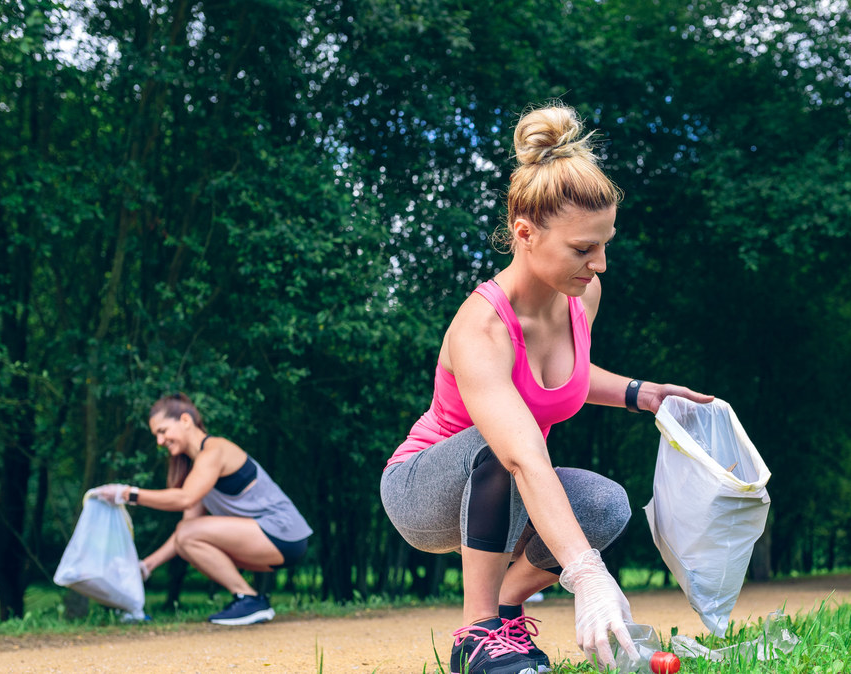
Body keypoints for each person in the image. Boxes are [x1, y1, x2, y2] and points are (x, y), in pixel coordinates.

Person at [380, 103, 713, 674]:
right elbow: (521, 453)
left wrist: (643, 393)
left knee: (604, 504)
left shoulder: (581, 298)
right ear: (524, 233)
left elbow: (561, 382)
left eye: (605, 244)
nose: (600, 263)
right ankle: (476, 635)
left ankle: (508, 615)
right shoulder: (480, 326)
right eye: (584, 249)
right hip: (425, 492)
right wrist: (586, 574)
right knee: (504, 450)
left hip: (506, 482)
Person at [92, 393, 313, 626]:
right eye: (156, 435)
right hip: (269, 543)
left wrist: (127, 494)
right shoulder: (197, 471)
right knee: (187, 535)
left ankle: (249, 599)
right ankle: (249, 599)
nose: (159, 441)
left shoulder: (215, 450)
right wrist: (147, 566)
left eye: (163, 431)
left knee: (188, 532)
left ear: (185, 420)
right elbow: (185, 535)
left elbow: (185, 499)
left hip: (284, 535)